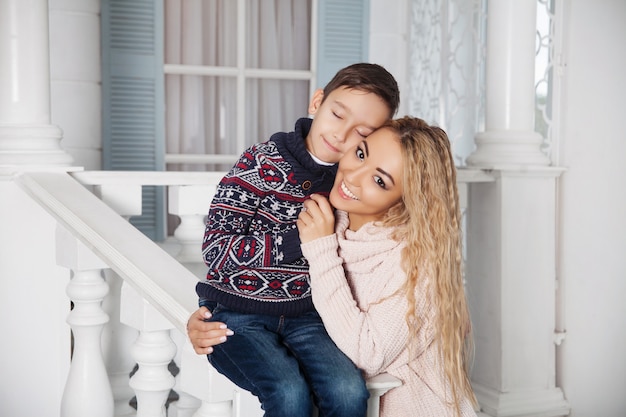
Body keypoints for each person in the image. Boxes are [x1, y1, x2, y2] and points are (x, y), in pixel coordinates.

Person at [190, 63, 400, 417]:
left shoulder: (347, 185)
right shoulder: (259, 162)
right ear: (317, 102)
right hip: (240, 314)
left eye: (360, 133)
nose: (341, 135)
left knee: (349, 392)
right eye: (337, 114)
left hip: (307, 316)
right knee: (289, 394)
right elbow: (216, 249)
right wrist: (301, 238)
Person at [296, 116, 478, 417]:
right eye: (361, 154)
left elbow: (368, 354)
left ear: (403, 201)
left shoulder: (417, 260)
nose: (353, 177)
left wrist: (320, 250)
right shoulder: (328, 219)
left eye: (380, 181)